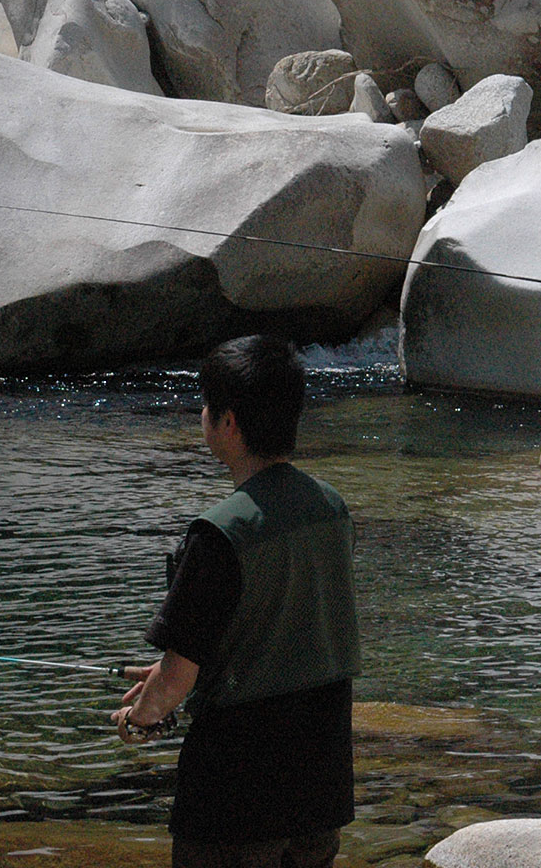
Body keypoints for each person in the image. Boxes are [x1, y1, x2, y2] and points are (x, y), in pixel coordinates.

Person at [112, 335, 361, 868]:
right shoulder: (332, 510)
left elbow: (177, 681)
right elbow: (283, 626)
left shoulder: (217, 535)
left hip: (237, 795)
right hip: (322, 782)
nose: (201, 416)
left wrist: (142, 716)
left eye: (206, 406)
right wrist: (167, 672)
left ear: (227, 424)